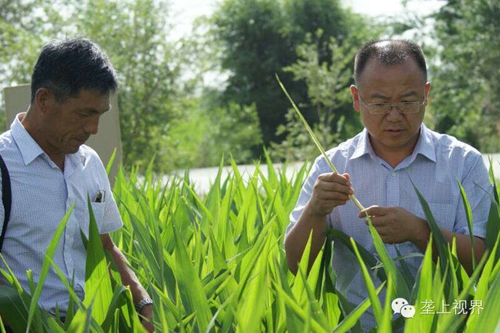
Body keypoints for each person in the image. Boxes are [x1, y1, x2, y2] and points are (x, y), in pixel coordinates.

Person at [284, 39, 493, 330]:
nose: (394, 116)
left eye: (407, 101)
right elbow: (296, 268)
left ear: (426, 94)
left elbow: (486, 265)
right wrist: (315, 212)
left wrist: (421, 232)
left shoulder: (463, 163)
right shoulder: (331, 167)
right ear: (357, 98)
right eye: (380, 103)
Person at [0, 38, 154, 332]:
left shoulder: (89, 162)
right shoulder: (2, 166)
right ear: (44, 100)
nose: (93, 129)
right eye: (84, 114)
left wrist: (141, 299)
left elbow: (104, 245)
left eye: (99, 115)